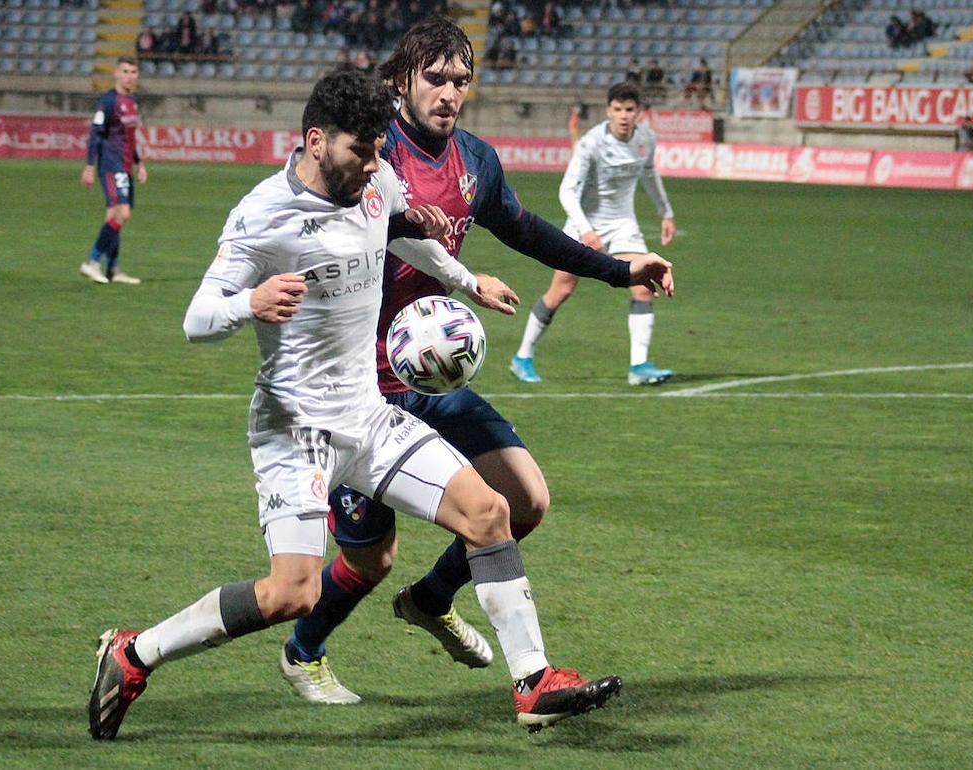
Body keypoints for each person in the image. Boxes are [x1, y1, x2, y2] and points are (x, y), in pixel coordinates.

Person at [87, 68, 626, 740]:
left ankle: (533, 683)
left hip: (369, 417)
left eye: (378, 149)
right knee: (293, 594)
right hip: (294, 431)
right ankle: (135, 653)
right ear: (315, 141)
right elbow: (197, 318)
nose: (375, 164)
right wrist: (247, 303)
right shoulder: (263, 215)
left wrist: (464, 279)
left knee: (489, 512)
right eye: (359, 151)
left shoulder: (375, 177)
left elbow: (399, 231)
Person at [275, 17, 674, 707]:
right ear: (401, 79)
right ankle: (303, 650)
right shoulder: (370, 152)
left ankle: (435, 604)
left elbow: (525, 232)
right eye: (436, 77)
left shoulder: (476, 162)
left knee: (523, 502)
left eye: (461, 80)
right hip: (355, 388)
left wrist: (618, 270)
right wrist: (463, 277)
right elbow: (370, 230)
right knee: (370, 559)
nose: (450, 92)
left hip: (428, 375)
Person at [512, 81, 676, 386]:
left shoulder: (646, 139)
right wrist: (586, 229)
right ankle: (522, 356)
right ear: (608, 111)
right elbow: (567, 191)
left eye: (630, 109)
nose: (624, 116)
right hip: (583, 224)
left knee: (642, 286)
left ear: (639, 112)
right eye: (618, 109)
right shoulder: (591, 143)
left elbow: (650, 175)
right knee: (561, 291)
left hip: (624, 225)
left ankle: (638, 367)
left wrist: (666, 212)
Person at [80, 57, 146, 285]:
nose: (130, 75)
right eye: (125, 71)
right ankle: (92, 262)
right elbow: (96, 135)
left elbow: (129, 137)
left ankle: (113, 269)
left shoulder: (132, 101)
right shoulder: (108, 101)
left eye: (133, 71)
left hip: (125, 166)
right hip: (111, 164)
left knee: (113, 217)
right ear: (116, 74)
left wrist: (139, 163)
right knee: (123, 214)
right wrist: (89, 166)